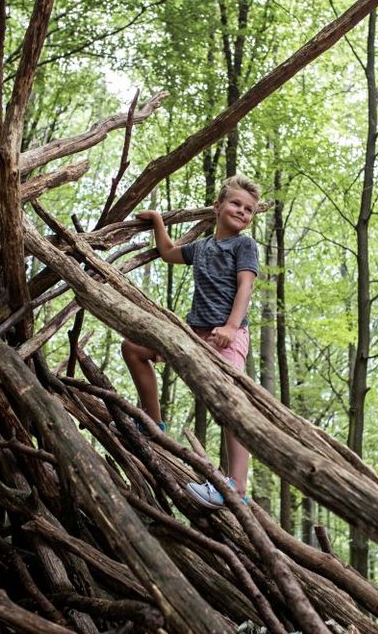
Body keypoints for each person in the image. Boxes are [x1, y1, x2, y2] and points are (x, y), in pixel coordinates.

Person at [121, 174, 260, 509]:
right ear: (217, 207)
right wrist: (157, 221)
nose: (242, 212)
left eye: (249, 209)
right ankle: (152, 422)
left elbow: (245, 287)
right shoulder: (203, 247)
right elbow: (168, 252)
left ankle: (236, 488)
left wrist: (230, 327)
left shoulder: (244, 245)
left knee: (231, 403)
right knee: (134, 348)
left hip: (227, 335)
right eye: (236, 203)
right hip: (194, 334)